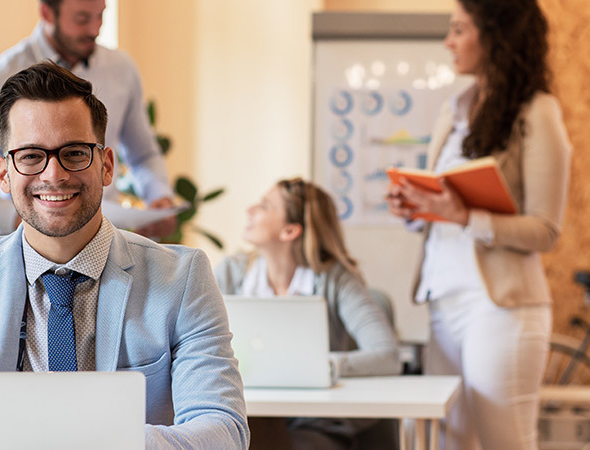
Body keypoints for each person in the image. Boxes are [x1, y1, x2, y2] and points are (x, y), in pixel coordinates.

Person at [0, 61, 249, 450]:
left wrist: (103, 443)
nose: (54, 174)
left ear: (106, 165)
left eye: (74, 152)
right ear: (3, 174)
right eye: (31, 156)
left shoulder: (181, 279)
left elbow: (223, 431)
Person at [386, 0, 572, 448]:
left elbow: (545, 230)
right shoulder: (454, 110)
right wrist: (416, 207)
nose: (448, 42)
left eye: (459, 30)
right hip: (442, 302)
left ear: (494, 37)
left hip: (500, 308)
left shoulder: (537, 112)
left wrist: (466, 216)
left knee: (504, 442)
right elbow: (445, 213)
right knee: (447, 442)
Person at [0, 0, 175, 238]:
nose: (94, 29)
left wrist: (159, 195)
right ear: (47, 12)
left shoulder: (122, 70)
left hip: (106, 240)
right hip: (26, 247)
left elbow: (143, 155)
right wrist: (20, 219)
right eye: (82, 18)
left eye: (100, 16)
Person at [216, 178, 401, 450]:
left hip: (314, 421)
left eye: (265, 206)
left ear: (290, 230)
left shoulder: (336, 279)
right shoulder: (230, 273)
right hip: (249, 412)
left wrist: (322, 367)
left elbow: (388, 356)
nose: (250, 210)